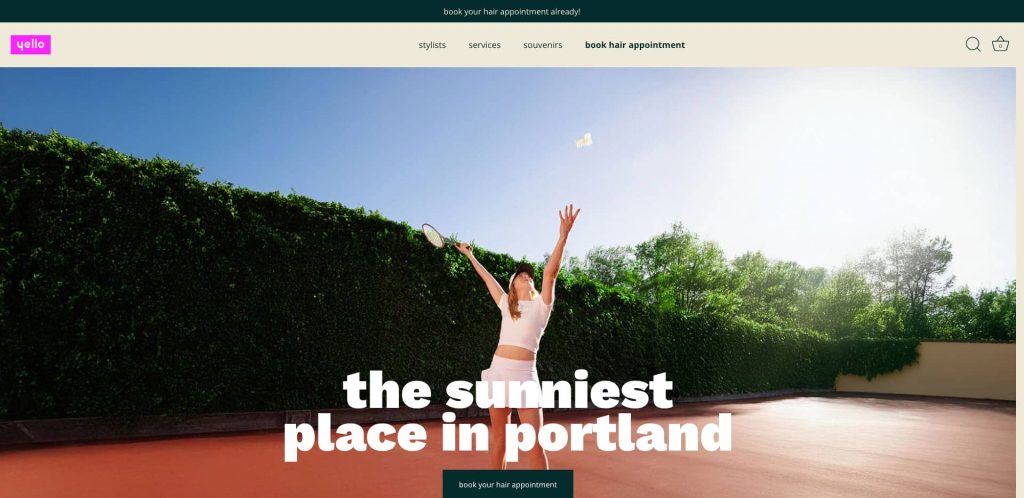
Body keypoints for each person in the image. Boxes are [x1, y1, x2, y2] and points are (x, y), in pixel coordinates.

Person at [454, 204, 580, 470]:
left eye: (529, 276)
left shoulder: (542, 306)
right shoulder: (505, 304)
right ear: (512, 285)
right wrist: (469, 255)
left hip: (525, 375)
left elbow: (551, 272)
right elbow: (488, 280)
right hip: (499, 370)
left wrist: (563, 236)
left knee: (535, 443)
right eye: (521, 275)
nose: (527, 276)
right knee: (500, 438)